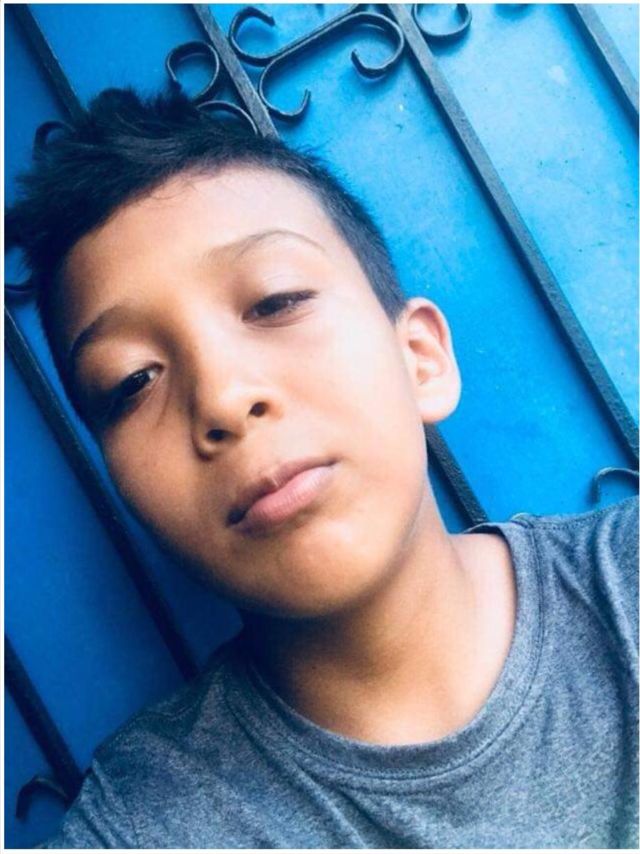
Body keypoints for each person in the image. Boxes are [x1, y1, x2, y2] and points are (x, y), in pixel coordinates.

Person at [8, 86, 638, 849]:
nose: (224, 398)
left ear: (421, 359)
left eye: (275, 301)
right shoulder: (148, 826)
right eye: (131, 381)